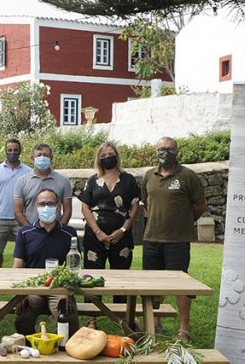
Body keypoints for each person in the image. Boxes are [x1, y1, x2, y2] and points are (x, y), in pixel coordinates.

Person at [140, 136, 208, 341]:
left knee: (181, 285)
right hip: (152, 238)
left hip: (178, 240)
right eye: (160, 149)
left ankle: (184, 328)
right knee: (152, 284)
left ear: (176, 151)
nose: (164, 152)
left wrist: (183, 221)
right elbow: (147, 202)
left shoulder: (188, 176)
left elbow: (200, 206)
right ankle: (154, 323)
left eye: (168, 148)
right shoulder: (148, 176)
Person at [79, 142, 142, 326]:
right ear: (99, 158)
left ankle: (121, 317)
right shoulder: (92, 180)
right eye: (104, 155)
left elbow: (135, 205)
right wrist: (97, 231)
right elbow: (85, 207)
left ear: (117, 155)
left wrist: (123, 230)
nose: (108, 157)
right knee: (92, 275)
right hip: (95, 236)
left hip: (121, 236)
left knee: (120, 275)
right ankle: (92, 318)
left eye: (111, 154)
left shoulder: (129, 180)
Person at [12, 189, 80, 336]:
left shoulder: (69, 233)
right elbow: (17, 265)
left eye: (51, 203)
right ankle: (32, 347)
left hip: (60, 289)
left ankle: (64, 350)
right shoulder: (25, 233)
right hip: (33, 287)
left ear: (58, 206)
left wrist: (69, 294)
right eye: (42, 204)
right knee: (22, 318)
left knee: (68, 318)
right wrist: (19, 295)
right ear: (36, 206)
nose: (47, 207)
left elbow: (74, 268)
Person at [0, 138, 32, 268]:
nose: (13, 153)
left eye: (16, 150)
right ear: (5, 151)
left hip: (20, 219)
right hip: (0, 218)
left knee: (23, 253)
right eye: (10, 150)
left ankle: (21, 277)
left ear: (20, 151)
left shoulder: (28, 171)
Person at [14, 142, 74, 227]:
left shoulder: (63, 181)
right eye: (39, 155)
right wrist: (29, 231)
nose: (42, 158)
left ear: (51, 158)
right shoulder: (22, 181)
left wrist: (59, 229)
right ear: (32, 157)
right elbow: (18, 212)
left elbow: (67, 211)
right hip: (31, 230)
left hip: (55, 232)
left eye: (45, 155)